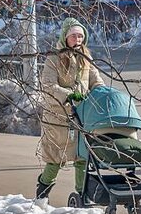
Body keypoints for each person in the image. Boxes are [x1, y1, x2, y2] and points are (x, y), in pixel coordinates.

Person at [36, 18, 103, 201]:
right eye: (74, 36)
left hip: (81, 116)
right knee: (56, 159)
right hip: (58, 116)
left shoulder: (85, 57)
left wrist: (102, 92)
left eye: (80, 36)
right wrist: (69, 95)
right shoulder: (54, 57)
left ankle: (82, 197)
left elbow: (96, 81)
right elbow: (48, 85)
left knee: (82, 157)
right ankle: (41, 196)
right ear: (65, 37)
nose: (78, 39)